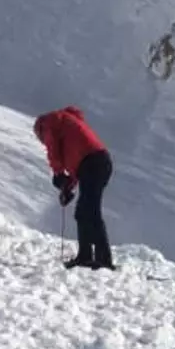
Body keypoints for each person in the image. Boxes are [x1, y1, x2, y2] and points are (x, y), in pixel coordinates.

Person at [34, 106, 115, 270]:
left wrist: (57, 174)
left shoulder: (48, 124)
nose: (43, 142)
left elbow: (53, 152)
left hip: (92, 164)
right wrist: (67, 187)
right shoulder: (65, 124)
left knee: (90, 211)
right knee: (85, 211)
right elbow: (76, 165)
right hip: (99, 163)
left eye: (41, 139)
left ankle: (102, 259)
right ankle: (88, 256)